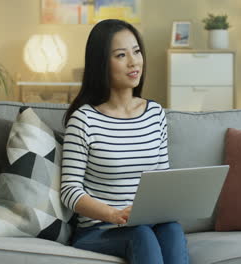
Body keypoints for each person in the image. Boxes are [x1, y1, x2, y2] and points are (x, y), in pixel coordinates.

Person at [60, 19, 189, 264]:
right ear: (101, 64)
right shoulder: (84, 119)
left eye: (137, 51)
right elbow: (70, 191)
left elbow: (163, 176)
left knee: (171, 229)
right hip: (99, 230)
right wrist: (113, 214)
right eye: (121, 55)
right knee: (141, 235)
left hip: (148, 224)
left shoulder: (155, 113)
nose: (133, 62)